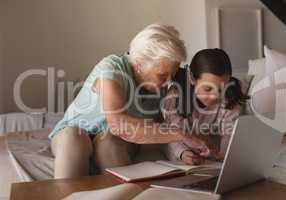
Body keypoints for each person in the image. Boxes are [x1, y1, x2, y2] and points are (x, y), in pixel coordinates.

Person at [49, 24, 214, 179]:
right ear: (138, 65)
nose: (169, 81)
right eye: (162, 75)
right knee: (74, 137)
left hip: (113, 140)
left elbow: (157, 128)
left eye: (172, 74)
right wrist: (181, 134)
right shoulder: (111, 67)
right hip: (74, 135)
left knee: (109, 141)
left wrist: (183, 150)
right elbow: (119, 124)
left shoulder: (161, 87)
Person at [162, 49, 249, 165]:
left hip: (214, 153)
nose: (215, 96)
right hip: (183, 148)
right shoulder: (175, 98)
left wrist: (223, 153)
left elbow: (230, 134)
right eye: (208, 89)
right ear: (192, 78)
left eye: (221, 89)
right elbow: (172, 134)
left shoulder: (230, 96)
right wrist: (183, 153)